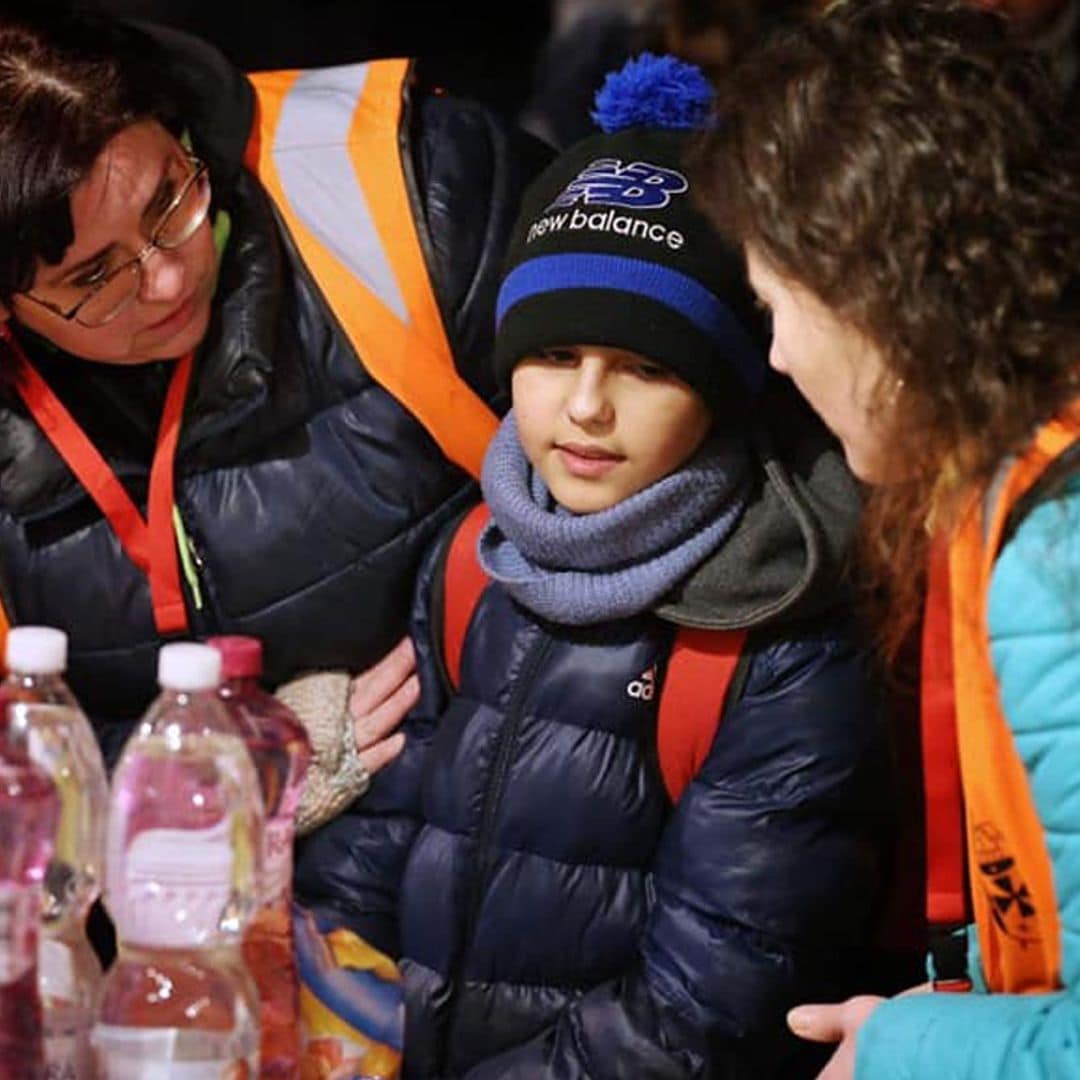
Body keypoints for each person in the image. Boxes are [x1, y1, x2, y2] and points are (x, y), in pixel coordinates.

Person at [294, 54, 891, 1078]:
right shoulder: (476, 552)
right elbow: (388, 831)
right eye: (554, 354)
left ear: (724, 393)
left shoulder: (781, 626)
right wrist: (324, 1002)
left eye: (648, 368)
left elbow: (705, 1011)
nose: (584, 408)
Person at [0, 1, 546, 819]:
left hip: (516, 813)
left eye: (167, 202)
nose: (170, 279)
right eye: (93, 280)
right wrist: (210, 774)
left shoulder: (402, 189)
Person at [694, 1, 1080, 1076]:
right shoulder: (1023, 467)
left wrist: (908, 1048)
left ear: (883, 302)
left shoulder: (1056, 569)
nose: (774, 360)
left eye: (781, 307)